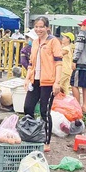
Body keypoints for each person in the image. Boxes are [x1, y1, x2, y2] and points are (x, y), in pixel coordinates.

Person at [24, 16, 63, 153]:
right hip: (35, 80)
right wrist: (27, 78)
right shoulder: (35, 42)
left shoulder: (53, 42)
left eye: (41, 27)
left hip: (49, 82)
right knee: (28, 107)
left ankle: (46, 141)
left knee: (44, 112)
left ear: (47, 28)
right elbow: (31, 63)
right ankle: (31, 134)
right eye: (36, 27)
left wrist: (57, 82)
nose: (38, 29)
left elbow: (59, 63)